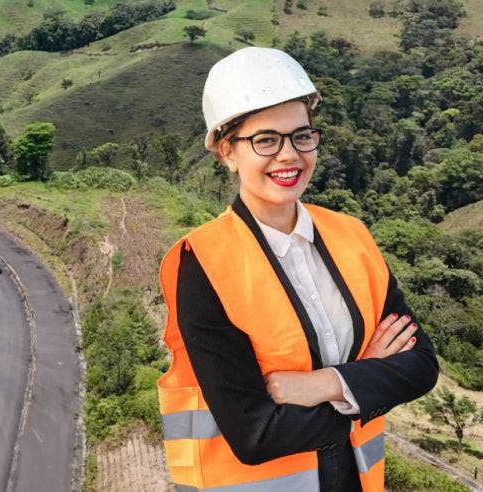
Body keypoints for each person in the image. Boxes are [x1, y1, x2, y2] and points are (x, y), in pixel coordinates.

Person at [156, 47, 439, 492]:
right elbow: (255, 434)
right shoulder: (203, 263)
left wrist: (323, 384)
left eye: (301, 136)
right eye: (265, 140)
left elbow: (420, 364)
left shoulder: (352, 237)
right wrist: (367, 383)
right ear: (228, 153)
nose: (289, 156)